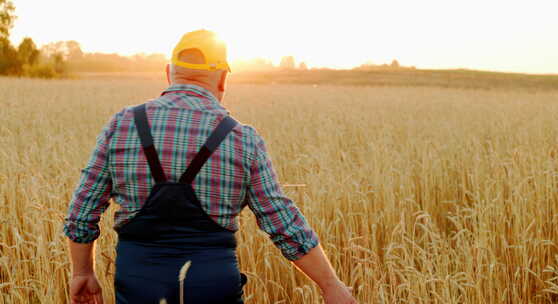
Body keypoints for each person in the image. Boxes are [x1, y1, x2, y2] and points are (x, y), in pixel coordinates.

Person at [63, 29, 357, 304]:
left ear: (168, 73)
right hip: (215, 288)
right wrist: (330, 284)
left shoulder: (124, 124)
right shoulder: (242, 139)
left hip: (138, 285)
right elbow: (283, 222)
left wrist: (82, 272)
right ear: (222, 80)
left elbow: (81, 213)